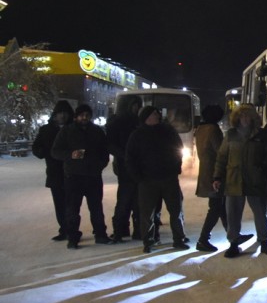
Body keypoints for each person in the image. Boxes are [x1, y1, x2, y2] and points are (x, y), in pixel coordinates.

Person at [213, 104, 267, 258]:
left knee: (260, 213)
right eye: (242, 116)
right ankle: (233, 242)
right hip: (234, 179)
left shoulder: (261, 135)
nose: (245, 119)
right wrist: (217, 177)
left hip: (255, 179)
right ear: (237, 118)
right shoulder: (231, 135)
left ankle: (264, 241)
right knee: (233, 214)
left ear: (253, 118)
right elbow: (222, 157)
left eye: (248, 116)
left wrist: (262, 168)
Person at [126, 106, 188, 253]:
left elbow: (178, 149)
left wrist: (176, 168)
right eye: (153, 114)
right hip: (147, 180)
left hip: (169, 178)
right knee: (147, 213)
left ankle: (179, 239)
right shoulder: (137, 135)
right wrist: (138, 177)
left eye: (157, 114)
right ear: (146, 117)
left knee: (176, 210)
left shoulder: (168, 131)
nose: (157, 116)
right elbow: (130, 158)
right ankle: (148, 241)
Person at [51, 104, 114, 248]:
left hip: (93, 176)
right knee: (73, 209)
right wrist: (70, 154)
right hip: (74, 176)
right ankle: (73, 237)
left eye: (87, 115)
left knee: (96, 208)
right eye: (81, 115)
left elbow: (104, 151)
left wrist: (99, 165)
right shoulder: (67, 131)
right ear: (76, 117)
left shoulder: (97, 131)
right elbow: (55, 151)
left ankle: (100, 234)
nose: (84, 117)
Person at [32, 100, 74, 241]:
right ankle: (64, 229)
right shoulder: (46, 130)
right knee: (59, 204)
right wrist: (44, 152)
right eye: (60, 113)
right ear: (55, 115)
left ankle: (72, 230)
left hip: (72, 172)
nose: (62, 116)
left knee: (72, 204)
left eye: (65, 113)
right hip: (55, 172)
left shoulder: (74, 129)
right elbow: (36, 147)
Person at [106, 94, 142, 241]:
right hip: (125, 166)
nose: (137, 108)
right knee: (125, 199)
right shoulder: (117, 122)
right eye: (134, 105)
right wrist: (125, 155)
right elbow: (110, 144)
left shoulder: (139, 121)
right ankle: (120, 229)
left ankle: (138, 229)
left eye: (138, 105)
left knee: (137, 200)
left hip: (138, 166)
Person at [194, 104, 228, 252]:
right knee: (216, 207)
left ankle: (233, 234)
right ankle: (203, 239)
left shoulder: (200, 129)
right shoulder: (213, 129)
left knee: (219, 206)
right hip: (215, 173)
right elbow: (221, 151)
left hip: (206, 171)